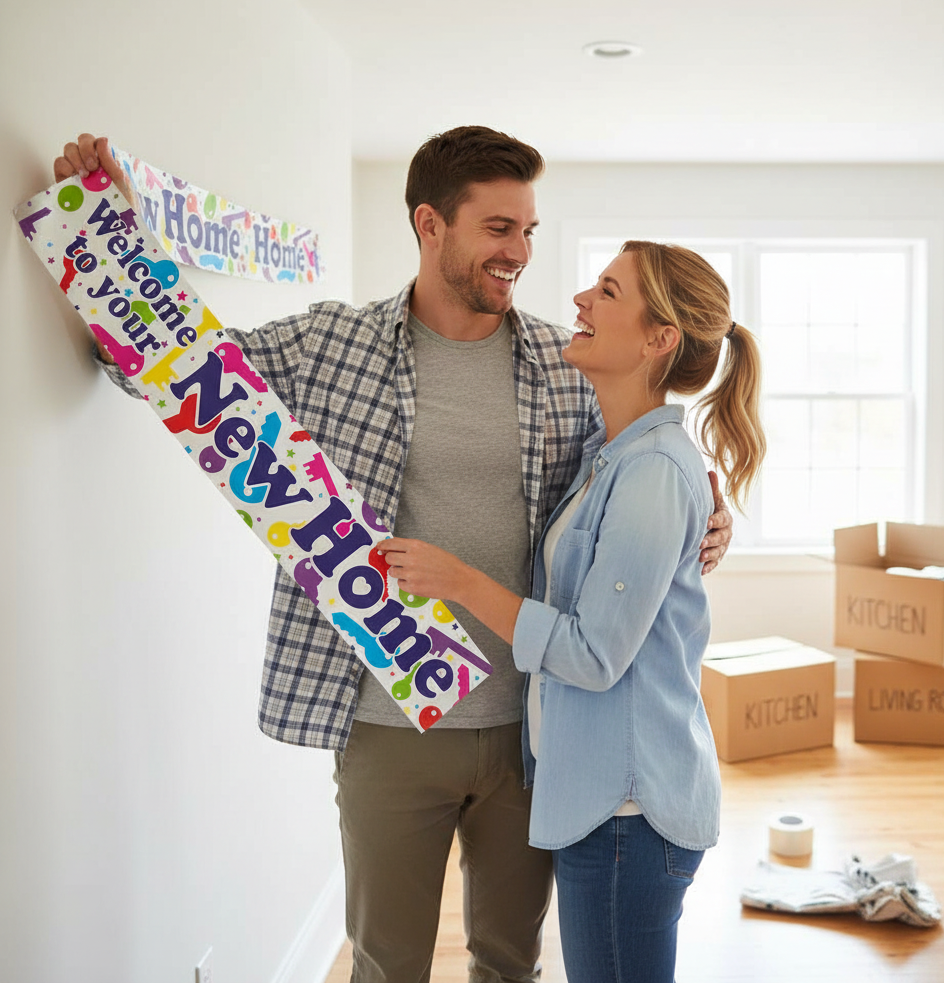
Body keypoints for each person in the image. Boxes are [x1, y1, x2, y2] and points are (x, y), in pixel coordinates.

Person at [53, 130, 735, 983]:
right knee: (387, 964)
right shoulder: (331, 345)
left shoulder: (567, 367)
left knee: (510, 962)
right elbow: (170, 367)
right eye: (499, 229)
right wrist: (113, 230)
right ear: (430, 224)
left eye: (528, 229)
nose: (521, 252)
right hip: (388, 725)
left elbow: (643, 477)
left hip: (534, 732)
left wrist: (713, 517)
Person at [378, 240, 766, 983]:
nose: (581, 300)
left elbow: (592, 655)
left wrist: (458, 582)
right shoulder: (609, 453)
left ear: (658, 340)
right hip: (604, 804)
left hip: (629, 815)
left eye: (609, 291)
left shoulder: (652, 471)